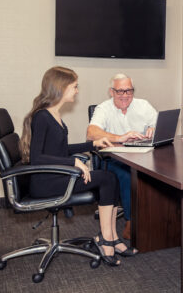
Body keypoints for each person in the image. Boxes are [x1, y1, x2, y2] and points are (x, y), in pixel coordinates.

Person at [19, 66, 138, 266]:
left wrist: (93, 144)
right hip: (46, 182)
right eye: (74, 87)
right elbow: (37, 158)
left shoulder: (53, 114)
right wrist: (72, 161)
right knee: (107, 177)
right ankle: (107, 240)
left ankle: (110, 238)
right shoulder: (42, 117)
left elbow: (60, 149)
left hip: (55, 176)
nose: (77, 91)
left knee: (110, 177)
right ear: (61, 87)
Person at [87, 74, 157, 240]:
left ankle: (160, 219)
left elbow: (158, 124)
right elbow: (91, 133)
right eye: (120, 91)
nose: (125, 95)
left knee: (163, 171)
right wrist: (119, 137)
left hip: (143, 154)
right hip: (115, 158)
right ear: (111, 92)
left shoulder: (143, 105)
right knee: (128, 174)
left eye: (129, 91)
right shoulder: (103, 108)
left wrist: (153, 130)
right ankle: (131, 221)